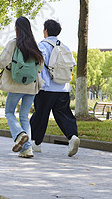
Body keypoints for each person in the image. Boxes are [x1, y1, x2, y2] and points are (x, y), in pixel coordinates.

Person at [30, 19, 80, 157]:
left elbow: (39, 63)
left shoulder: (42, 45)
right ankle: (72, 137)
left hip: (46, 87)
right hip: (63, 88)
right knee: (64, 115)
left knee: (41, 114)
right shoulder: (65, 47)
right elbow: (72, 65)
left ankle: (36, 142)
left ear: (45, 31)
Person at [0, 17, 44, 158]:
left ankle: (19, 134)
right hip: (32, 86)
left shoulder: (13, 44)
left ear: (16, 29)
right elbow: (40, 67)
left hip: (15, 85)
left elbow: (1, 63)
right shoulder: (35, 46)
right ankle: (27, 150)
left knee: (9, 112)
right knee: (24, 116)